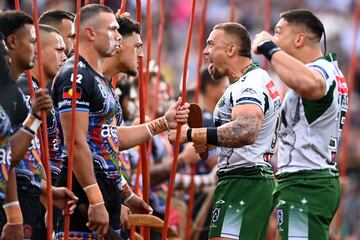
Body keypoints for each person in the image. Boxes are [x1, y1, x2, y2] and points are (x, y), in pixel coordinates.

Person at [52, 5, 189, 238]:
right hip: (82, 194)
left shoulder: (100, 79)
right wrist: (95, 200)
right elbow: (75, 144)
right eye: (113, 29)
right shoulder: (75, 75)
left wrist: (125, 195)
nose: (117, 36)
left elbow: (108, 141)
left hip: (105, 191)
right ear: (90, 33)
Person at [169, 22, 281, 240]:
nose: (205, 51)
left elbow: (245, 131)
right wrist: (208, 141)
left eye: (211, 44)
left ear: (231, 50)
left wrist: (191, 135)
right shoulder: (245, 83)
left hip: (245, 181)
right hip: (244, 181)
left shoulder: (249, 84)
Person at [252, 9, 348, 240]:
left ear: (299, 39)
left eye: (278, 32)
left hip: (306, 182)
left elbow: (308, 83)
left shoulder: (319, 72)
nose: (273, 38)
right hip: (309, 180)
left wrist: (268, 48)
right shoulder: (329, 70)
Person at [0, 10, 77, 240]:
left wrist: (46, 191)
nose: (67, 54)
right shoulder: (20, 91)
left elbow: (20, 159)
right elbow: (8, 157)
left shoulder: (19, 91)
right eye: (32, 41)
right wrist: (14, 215)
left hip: (31, 198)